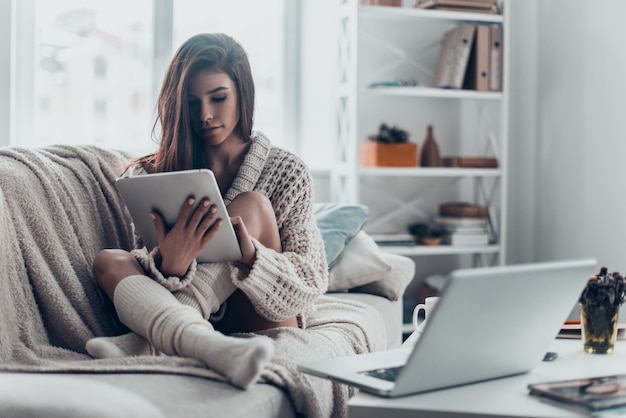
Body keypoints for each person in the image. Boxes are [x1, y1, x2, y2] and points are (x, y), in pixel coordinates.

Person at [86, 33, 329, 390]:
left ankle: (146, 345)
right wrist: (172, 264)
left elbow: (309, 282)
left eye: (218, 97)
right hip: (193, 321)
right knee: (108, 261)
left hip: (260, 315)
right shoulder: (151, 173)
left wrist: (249, 255)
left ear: (242, 93)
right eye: (192, 102)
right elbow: (147, 271)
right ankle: (201, 342)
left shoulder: (287, 171)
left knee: (252, 206)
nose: (206, 115)